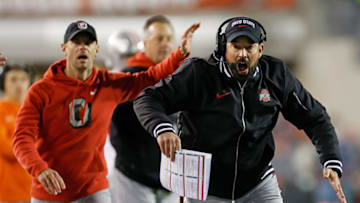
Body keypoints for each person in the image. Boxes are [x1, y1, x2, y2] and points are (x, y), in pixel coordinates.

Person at [133, 16, 347, 203]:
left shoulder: (277, 75)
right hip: (205, 186)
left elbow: (316, 118)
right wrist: (163, 129)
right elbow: (147, 99)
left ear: (260, 50)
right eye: (236, 46)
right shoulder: (199, 74)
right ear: (223, 48)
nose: (243, 54)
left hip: (258, 181)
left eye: (249, 46)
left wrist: (331, 160)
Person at [12, 20, 199, 203]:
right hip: (49, 191)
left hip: (93, 189)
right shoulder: (40, 91)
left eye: (88, 42)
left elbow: (148, 78)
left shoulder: (108, 84)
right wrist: (39, 169)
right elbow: (21, 138)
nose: (82, 47)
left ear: (96, 49)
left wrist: (179, 53)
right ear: (64, 48)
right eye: (76, 42)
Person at [109, 15, 180, 203]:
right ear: (146, 43)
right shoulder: (126, 80)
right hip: (133, 178)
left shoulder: (182, 77)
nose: (164, 44)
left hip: (172, 181)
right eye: (159, 38)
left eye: (168, 38)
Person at [0, 64, 32, 203]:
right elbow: (7, 149)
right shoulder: (1, 111)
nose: (19, 84)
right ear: (4, 83)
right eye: (13, 79)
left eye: (23, 79)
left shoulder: (36, 112)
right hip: (7, 192)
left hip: (33, 191)